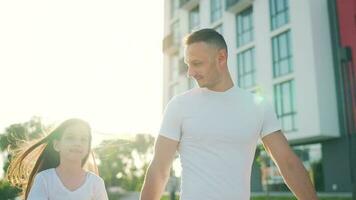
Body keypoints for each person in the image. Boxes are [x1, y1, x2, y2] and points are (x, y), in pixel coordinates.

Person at [140, 29, 318, 200]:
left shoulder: (258, 107)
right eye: (188, 64)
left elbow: (288, 163)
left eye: (197, 63)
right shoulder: (179, 106)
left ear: (221, 57)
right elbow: (159, 170)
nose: (190, 73)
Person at [6, 118, 109, 200]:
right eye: (70, 137)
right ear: (57, 145)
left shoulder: (96, 183)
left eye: (84, 139)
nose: (78, 143)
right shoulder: (43, 179)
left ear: (88, 147)